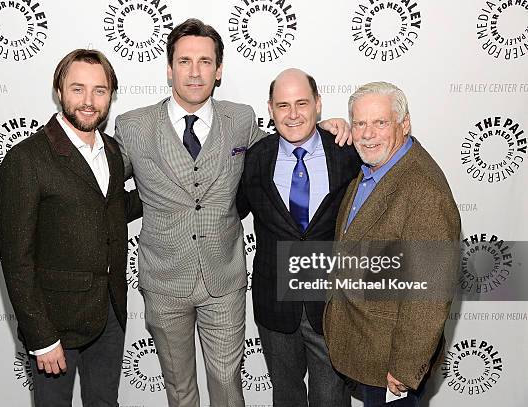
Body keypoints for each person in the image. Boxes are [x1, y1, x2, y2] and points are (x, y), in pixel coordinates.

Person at [114, 18, 349, 407]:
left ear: (218, 70)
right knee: (180, 388)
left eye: (205, 61)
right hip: (164, 282)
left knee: (227, 383)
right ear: (169, 68)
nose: (194, 71)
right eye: (185, 61)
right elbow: (101, 186)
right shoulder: (133, 126)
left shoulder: (240, 120)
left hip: (225, 281)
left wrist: (325, 127)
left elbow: (286, 145)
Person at [0, 49, 141, 407]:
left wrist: (170, 191)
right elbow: (17, 260)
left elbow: (109, 209)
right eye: (78, 89)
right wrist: (41, 336)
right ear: (59, 91)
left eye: (100, 90)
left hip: (109, 313)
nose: (89, 101)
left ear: (110, 95)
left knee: (105, 403)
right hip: (55, 322)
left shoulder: (110, 150)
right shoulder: (26, 158)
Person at [323, 81, 461, 407]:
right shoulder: (378, 166)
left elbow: (429, 292)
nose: (368, 133)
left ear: (404, 123)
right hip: (368, 347)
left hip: (392, 365)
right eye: (360, 123)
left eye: (380, 123)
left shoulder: (424, 191)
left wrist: (405, 366)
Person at [238, 68, 360, 406]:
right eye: (283, 105)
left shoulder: (347, 154)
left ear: (318, 104)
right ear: (270, 108)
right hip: (275, 303)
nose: (293, 115)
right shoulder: (255, 159)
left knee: (331, 399)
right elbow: (231, 210)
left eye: (302, 103)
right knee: (286, 397)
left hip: (332, 305)